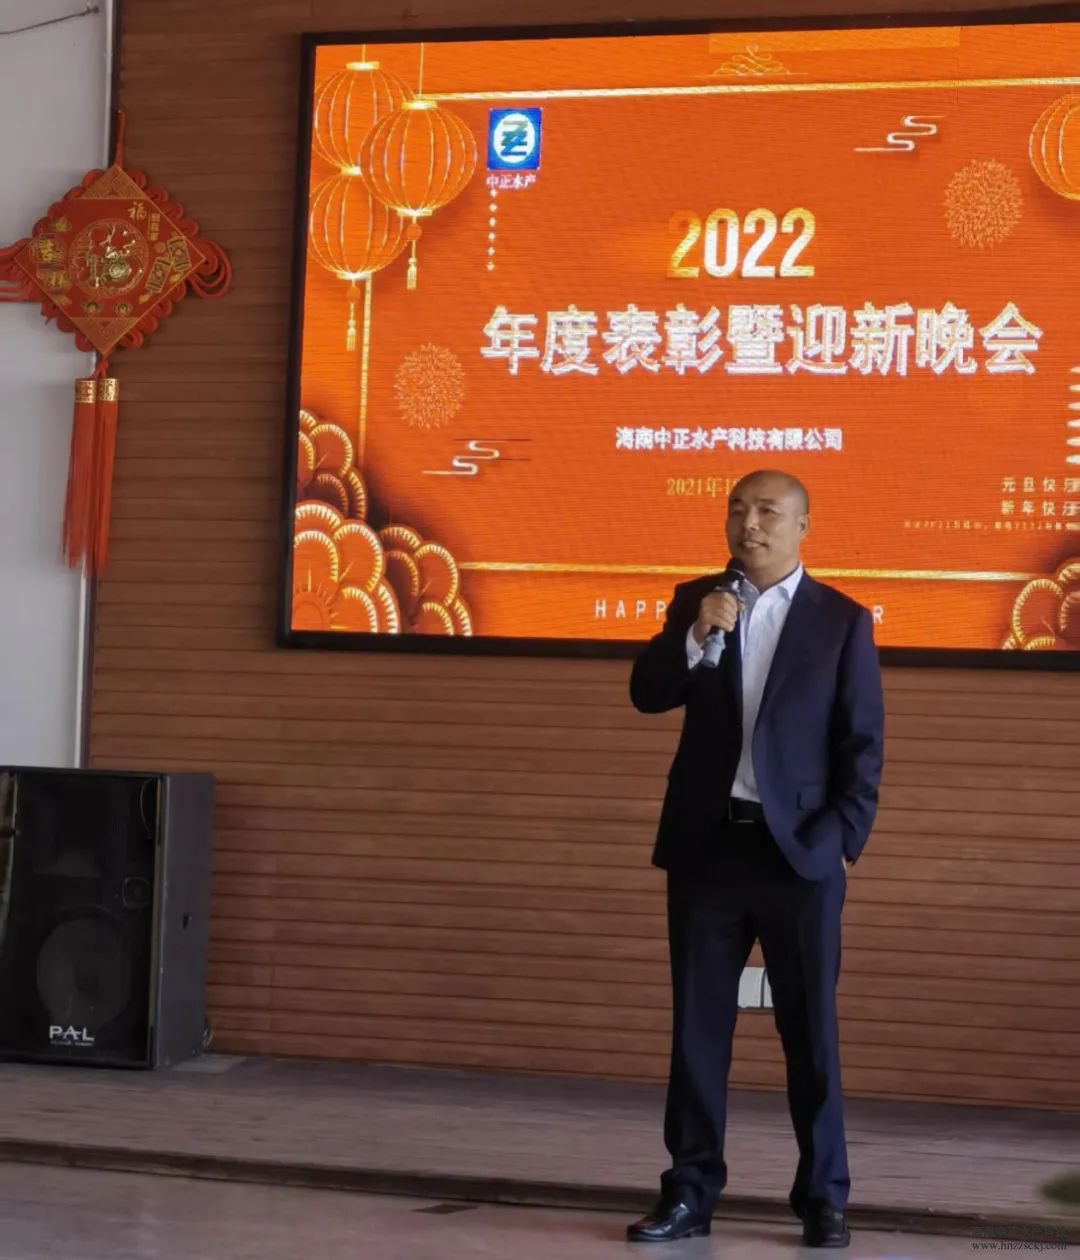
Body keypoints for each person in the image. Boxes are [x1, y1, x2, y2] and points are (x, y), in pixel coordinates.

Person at [626, 469, 884, 1249]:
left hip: (798, 858)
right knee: (698, 1032)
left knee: (811, 1035)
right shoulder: (698, 601)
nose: (750, 524)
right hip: (708, 849)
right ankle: (689, 1192)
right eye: (737, 509)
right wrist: (696, 634)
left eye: (768, 511)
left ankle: (824, 1198)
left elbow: (861, 743)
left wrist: (841, 842)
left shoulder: (841, 621)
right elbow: (648, 692)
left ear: (804, 526)